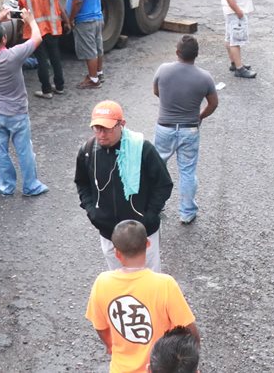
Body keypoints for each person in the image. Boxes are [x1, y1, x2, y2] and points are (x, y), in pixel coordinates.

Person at [86, 221, 197, 373]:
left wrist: (111, 346)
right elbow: (189, 329)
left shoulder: (102, 283)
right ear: (147, 243)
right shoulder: (165, 284)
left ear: (117, 253)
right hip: (160, 367)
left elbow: (100, 327)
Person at [76, 102, 173, 271]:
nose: (101, 134)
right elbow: (82, 183)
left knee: (148, 281)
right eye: (96, 128)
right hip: (108, 233)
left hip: (143, 233)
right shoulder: (88, 151)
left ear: (122, 124)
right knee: (119, 282)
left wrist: (149, 216)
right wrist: (93, 213)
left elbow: (163, 184)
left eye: (106, 128)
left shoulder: (143, 149)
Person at [0, 6, 49, 197]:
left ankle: (5, 186)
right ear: (4, 39)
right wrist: (30, 20)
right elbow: (37, 38)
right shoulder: (13, 56)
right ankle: (31, 185)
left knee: (0, 151)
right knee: (24, 150)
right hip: (16, 112)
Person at [153, 36, 218, 225]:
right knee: (187, 171)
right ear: (196, 55)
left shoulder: (163, 70)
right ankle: (187, 213)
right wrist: (200, 116)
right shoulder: (205, 77)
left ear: (177, 53)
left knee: (158, 168)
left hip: (165, 128)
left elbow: (156, 91)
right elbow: (213, 103)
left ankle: (156, 205)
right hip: (189, 129)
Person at [17, 0, 69, 99]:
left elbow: (23, 14)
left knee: (42, 60)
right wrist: (67, 22)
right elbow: (60, 8)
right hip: (52, 29)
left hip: (36, 33)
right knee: (55, 57)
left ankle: (46, 90)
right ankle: (59, 87)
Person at [69, 0, 105, 89]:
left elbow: (77, 1)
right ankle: (98, 73)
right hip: (97, 17)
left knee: (89, 51)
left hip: (85, 20)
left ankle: (93, 80)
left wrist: (71, 18)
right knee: (97, 48)